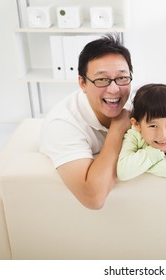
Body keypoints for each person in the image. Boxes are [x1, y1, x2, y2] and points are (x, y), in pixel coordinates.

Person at [39, 34, 133, 209]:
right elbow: (93, 198)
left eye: (122, 78)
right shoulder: (62, 125)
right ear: (82, 83)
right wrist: (117, 128)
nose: (114, 89)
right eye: (101, 80)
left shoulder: (134, 98)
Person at [117, 84, 166, 181]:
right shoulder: (134, 134)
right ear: (136, 124)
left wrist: (139, 166)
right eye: (153, 126)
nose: (163, 135)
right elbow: (124, 171)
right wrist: (163, 150)